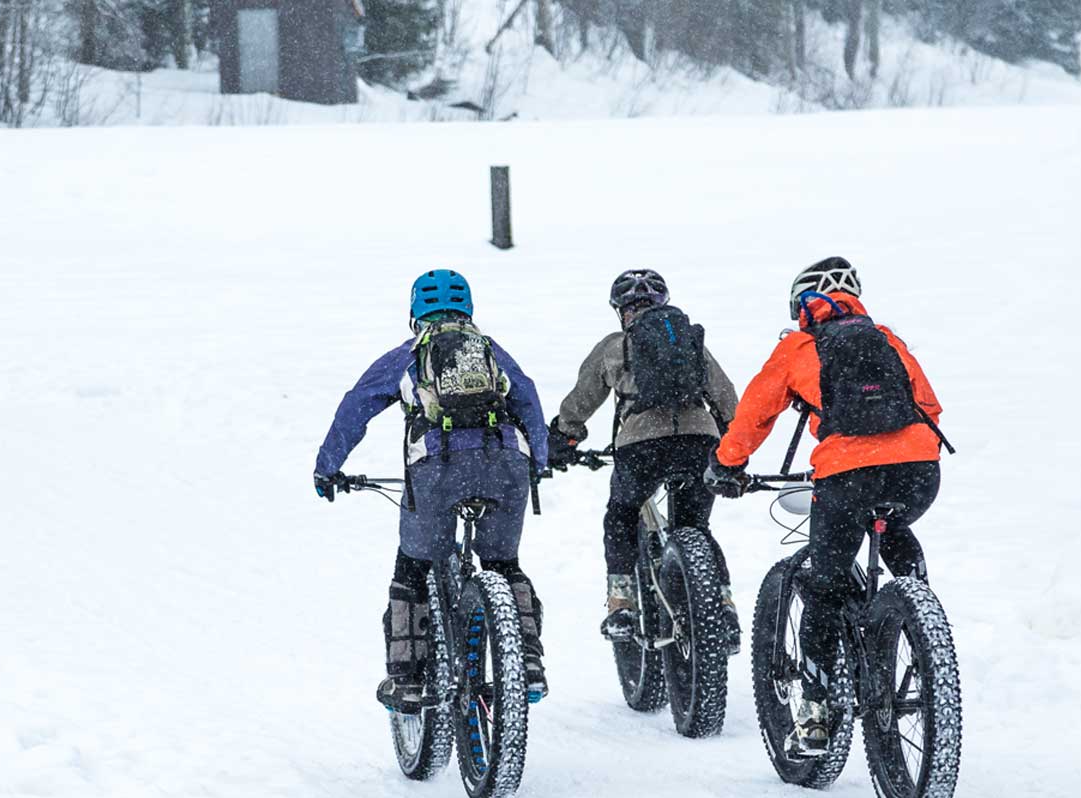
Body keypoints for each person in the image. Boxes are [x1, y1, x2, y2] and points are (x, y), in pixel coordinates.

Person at [705, 256, 945, 756]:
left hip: (846, 476)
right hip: (918, 471)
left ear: (803, 306)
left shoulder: (799, 347)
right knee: (893, 526)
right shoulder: (887, 339)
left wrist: (727, 464)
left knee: (824, 582)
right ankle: (920, 624)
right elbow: (930, 405)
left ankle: (814, 712)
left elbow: (755, 413)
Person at [314, 269, 551, 712]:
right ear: (468, 310)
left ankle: (406, 678)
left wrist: (329, 467)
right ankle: (527, 661)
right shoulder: (491, 352)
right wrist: (538, 460)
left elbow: (356, 407)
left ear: (414, 313)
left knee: (413, 566)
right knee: (503, 562)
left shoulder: (408, 355)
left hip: (438, 471)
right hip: (505, 465)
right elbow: (528, 399)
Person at [547, 269, 742, 648]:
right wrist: (730, 443)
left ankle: (621, 602)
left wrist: (564, 437)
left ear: (621, 311)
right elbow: (726, 397)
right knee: (697, 527)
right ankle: (723, 603)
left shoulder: (615, 345)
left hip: (641, 446)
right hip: (698, 441)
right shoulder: (689, 342)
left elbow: (582, 401)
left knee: (621, 514)